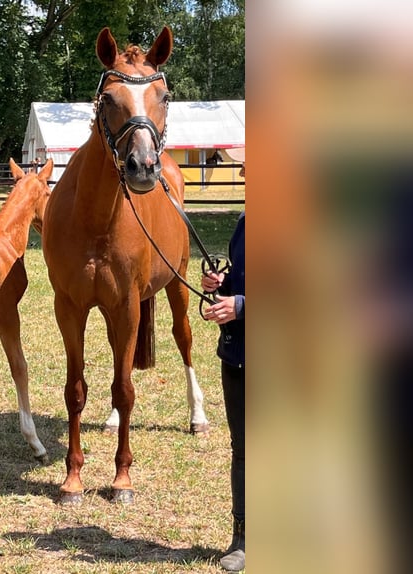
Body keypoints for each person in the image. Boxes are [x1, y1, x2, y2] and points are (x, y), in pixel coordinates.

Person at [201, 146, 245, 573]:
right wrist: (222, 281)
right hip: (236, 354)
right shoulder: (246, 222)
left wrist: (241, 304)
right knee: (243, 449)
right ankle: (243, 538)